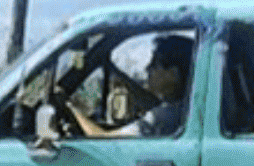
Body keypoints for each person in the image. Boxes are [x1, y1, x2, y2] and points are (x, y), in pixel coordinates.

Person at [62, 34, 193, 139]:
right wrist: (114, 70)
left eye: (154, 65)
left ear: (172, 74)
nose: (147, 69)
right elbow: (149, 102)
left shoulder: (163, 117)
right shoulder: (184, 108)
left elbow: (103, 139)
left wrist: (70, 108)